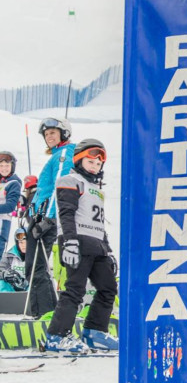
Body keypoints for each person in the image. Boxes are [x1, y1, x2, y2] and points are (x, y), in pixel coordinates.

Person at [44, 139, 118, 353]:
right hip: (77, 241)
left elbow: (99, 222)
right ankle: (56, 336)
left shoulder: (96, 188)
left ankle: (95, 331)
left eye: (98, 163)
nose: (95, 166)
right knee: (75, 289)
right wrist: (70, 242)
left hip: (97, 245)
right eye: (90, 161)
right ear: (78, 160)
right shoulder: (70, 180)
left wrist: (108, 249)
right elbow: (66, 214)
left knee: (108, 288)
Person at [26, 118, 75, 318]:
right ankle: (51, 314)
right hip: (41, 217)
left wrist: (48, 219)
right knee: (37, 266)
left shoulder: (64, 153)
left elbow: (59, 187)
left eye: (53, 133)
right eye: (46, 135)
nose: (49, 137)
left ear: (63, 133)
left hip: (46, 220)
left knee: (35, 267)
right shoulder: (57, 155)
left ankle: (45, 315)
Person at [0, 151, 22, 255]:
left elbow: (10, 206)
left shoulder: (14, 183)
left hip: (2, 222)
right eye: (1, 166)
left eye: (7, 165)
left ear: (12, 166)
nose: (4, 168)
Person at [0, 228, 28, 292]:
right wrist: (4, 275)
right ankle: (6, 300)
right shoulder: (8, 256)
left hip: (29, 289)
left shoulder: (36, 256)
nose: (24, 245)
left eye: (26, 243)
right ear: (17, 243)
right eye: (21, 242)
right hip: (12, 289)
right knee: (1, 282)